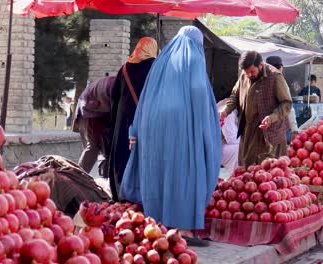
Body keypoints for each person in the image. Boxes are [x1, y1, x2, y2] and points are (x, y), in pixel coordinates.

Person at [120, 26, 221, 238]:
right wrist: (206, 130)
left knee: (158, 171)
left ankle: (157, 223)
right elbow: (198, 90)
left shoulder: (161, 62)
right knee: (185, 173)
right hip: (182, 127)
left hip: (152, 127)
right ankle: (182, 228)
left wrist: (135, 130)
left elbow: (145, 97)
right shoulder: (194, 59)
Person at [219, 51, 292, 167]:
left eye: (252, 72)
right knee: (247, 169)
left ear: (261, 65)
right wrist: (225, 110)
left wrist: (272, 118)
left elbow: (286, 104)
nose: (249, 75)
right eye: (247, 72)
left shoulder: (275, 76)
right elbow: (234, 96)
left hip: (271, 132)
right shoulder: (244, 75)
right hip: (248, 130)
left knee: (271, 171)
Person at [108, 37, 158, 201]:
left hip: (123, 121)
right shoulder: (156, 68)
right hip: (146, 120)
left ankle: (120, 194)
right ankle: (141, 196)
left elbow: (114, 98)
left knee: (122, 154)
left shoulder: (124, 69)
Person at [74, 76, 116, 175]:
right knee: (93, 146)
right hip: (89, 108)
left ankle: (105, 179)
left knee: (107, 147)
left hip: (101, 110)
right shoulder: (123, 87)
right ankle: (77, 178)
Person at [266, 56, 299, 143]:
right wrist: (294, 129)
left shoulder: (260, 82)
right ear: (281, 68)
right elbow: (289, 107)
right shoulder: (281, 82)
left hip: (261, 130)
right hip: (277, 131)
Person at [217, 99, 240, 174]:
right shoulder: (225, 108)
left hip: (219, 144)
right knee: (239, 150)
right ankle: (237, 177)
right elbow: (232, 138)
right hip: (212, 149)